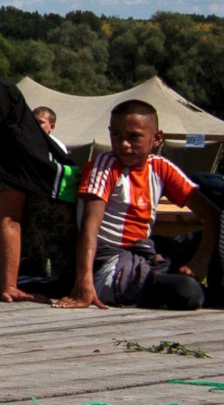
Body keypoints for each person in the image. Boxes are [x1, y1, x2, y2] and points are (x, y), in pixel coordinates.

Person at [60, 100, 214, 312]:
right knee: (187, 291)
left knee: (197, 240)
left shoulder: (160, 167)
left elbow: (212, 215)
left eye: (133, 137)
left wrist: (201, 261)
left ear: (156, 138)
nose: (123, 144)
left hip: (143, 253)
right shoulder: (105, 166)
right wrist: (83, 282)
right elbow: (89, 228)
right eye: (116, 135)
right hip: (109, 262)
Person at [0, 78, 65, 301]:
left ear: (9, 112)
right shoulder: (26, 143)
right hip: (37, 254)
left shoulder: (12, 152)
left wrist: (8, 286)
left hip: (47, 264)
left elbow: (9, 220)